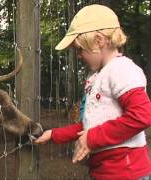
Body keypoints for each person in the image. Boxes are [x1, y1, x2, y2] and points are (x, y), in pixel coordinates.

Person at [34, 4, 151, 180]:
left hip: (127, 173)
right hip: (104, 173)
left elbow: (142, 115)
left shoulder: (121, 69)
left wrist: (92, 138)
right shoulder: (98, 75)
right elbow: (91, 125)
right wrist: (54, 134)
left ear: (99, 41)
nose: (78, 55)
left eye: (79, 49)